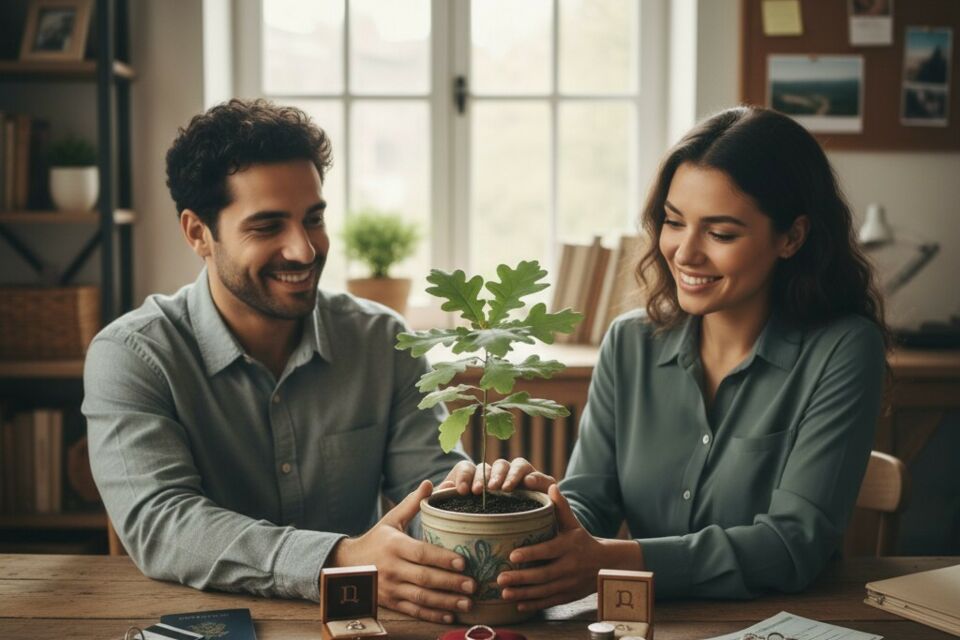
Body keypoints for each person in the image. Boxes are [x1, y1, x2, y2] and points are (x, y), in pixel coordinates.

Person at [82, 98, 534, 623]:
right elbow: (164, 525)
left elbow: (429, 488)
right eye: (267, 226)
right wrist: (337, 560)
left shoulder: (381, 338)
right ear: (198, 233)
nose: (303, 250)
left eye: (313, 219)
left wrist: (490, 502)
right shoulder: (134, 356)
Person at [496, 105, 889, 608]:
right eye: (674, 222)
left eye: (721, 233)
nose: (684, 252)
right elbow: (588, 504)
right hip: (641, 619)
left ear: (792, 237)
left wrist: (617, 561)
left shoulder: (844, 349)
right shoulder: (628, 343)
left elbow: (794, 544)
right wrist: (531, 512)